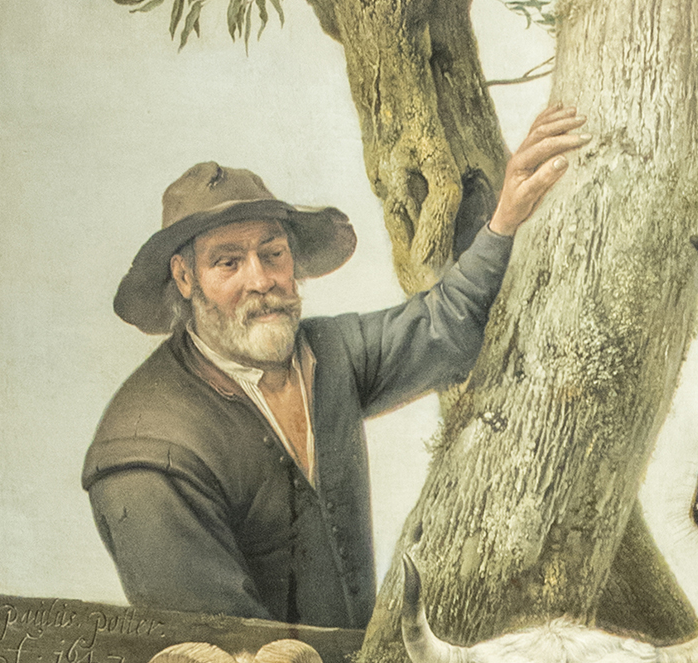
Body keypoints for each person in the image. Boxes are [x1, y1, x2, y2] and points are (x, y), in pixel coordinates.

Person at [84, 106, 587, 622]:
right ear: (185, 279)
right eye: (228, 262)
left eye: (273, 254)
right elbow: (222, 653)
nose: (262, 280)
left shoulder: (328, 352)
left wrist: (504, 222)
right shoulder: (144, 451)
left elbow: (448, 325)